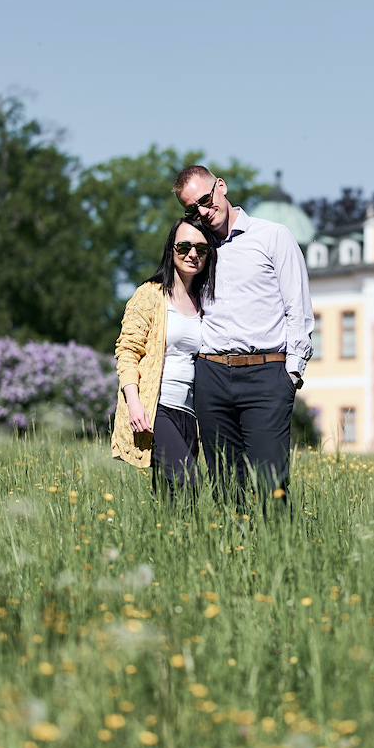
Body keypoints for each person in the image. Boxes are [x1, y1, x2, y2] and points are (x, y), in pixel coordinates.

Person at [171, 166, 313, 508]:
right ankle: (233, 555)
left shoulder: (273, 236)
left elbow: (298, 307)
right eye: (192, 209)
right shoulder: (198, 249)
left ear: (221, 187)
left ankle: (280, 556)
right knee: (224, 487)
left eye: (205, 200)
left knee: (271, 485)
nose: (203, 212)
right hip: (212, 376)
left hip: (266, 374)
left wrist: (291, 374)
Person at [111, 217, 217, 499]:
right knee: (189, 482)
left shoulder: (207, 301)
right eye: (184, 247)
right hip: (156, 407)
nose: (192, 254)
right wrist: (134, 404)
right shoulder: (150, 295)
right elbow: (127, 351)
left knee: (176, 500)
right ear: (171, 249)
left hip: (190, 412)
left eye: (201, 249)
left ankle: (167, 543)